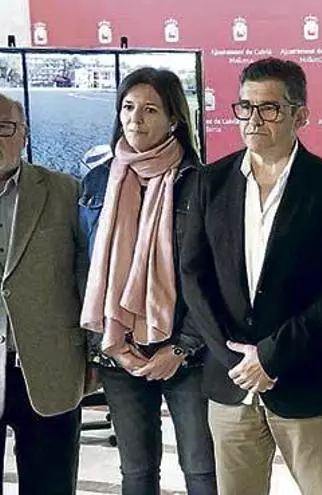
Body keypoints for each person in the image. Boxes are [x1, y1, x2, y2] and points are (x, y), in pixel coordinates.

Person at [180, 57, 322, 495]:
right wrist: (235, 359)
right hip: (230, 382)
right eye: (245, 107)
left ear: (300, 115)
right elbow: (194, 276)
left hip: (307, 381)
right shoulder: (210, 182)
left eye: (269, 108)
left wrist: (270, 358)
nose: (254, 119)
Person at [79, 67, 216, 494]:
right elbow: (86, 270)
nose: (135, 119)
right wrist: (109, 348)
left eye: (150, 109)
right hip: (118, 352)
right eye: (127, 107)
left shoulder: (201, 183)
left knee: (202, 470)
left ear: (174, 119)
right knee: (136, 472)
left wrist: (182, 346)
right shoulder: (98, 181)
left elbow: (214, 276)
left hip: (187, 355)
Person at [0, 92, 88, 494]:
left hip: (49, 370)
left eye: (4, 128)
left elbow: (85, 278)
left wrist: (93, 356)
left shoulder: (64, 191)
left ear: (24, 134)